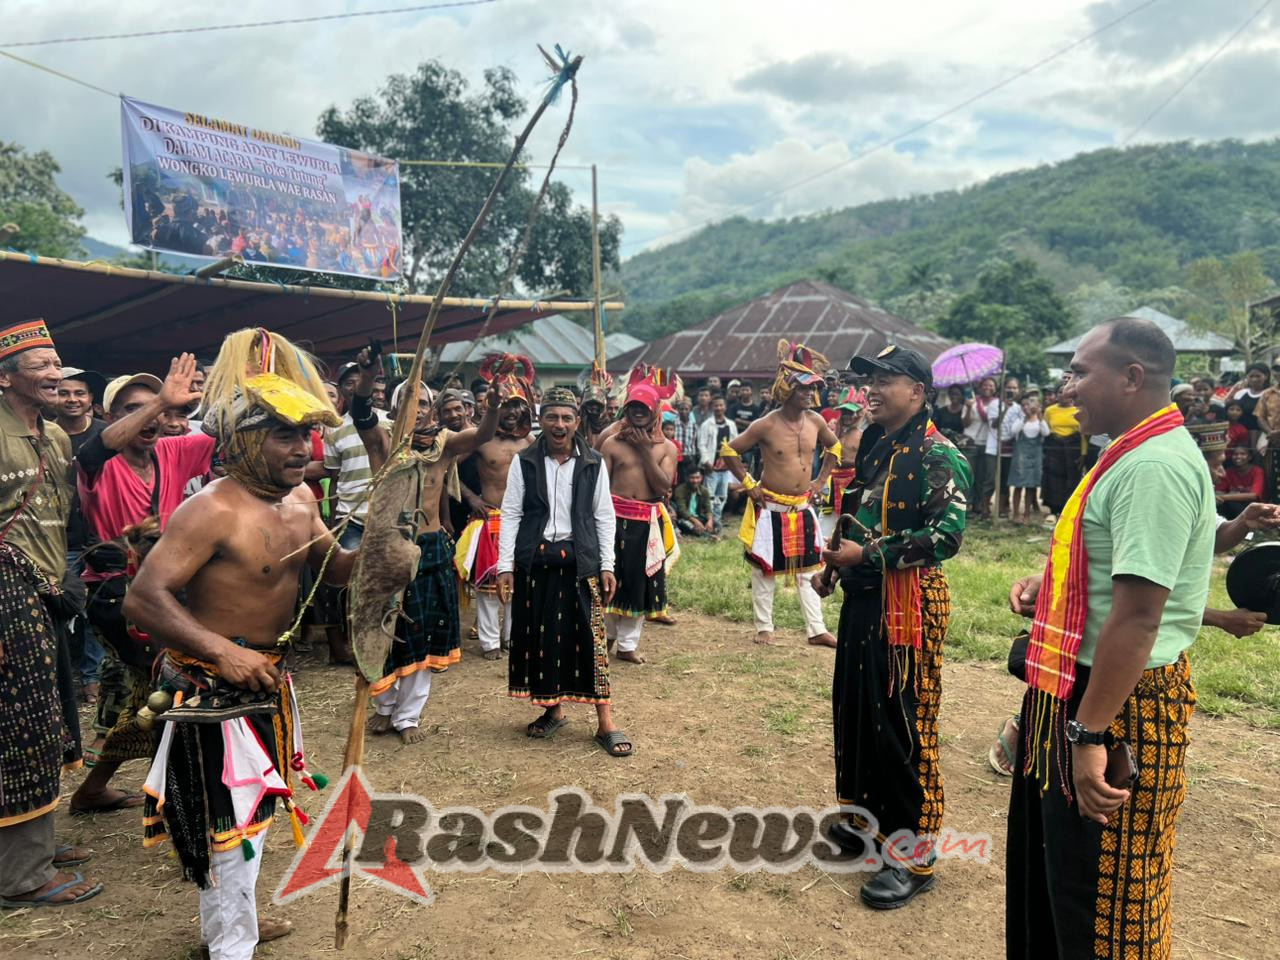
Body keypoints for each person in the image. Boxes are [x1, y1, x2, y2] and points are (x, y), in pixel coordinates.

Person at [127, 330, 355, 959]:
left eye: (306, 436)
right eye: (285, 435)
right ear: (244, 441)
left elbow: (335, 572)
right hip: (211, 689)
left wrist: (383, 553)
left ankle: (238, 919)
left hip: (267, 681)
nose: (303, 449)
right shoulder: (211, 511)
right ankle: (232, 943)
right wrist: (223, 651)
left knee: (254, 812)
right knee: (228, 823)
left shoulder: (304, 498)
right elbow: (143, 599)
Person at [1004, 317, 1214, 960]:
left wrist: (1090, 734)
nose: (1066, 389)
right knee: (1056, 879)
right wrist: (1055, 576)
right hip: (1075, 690)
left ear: (1132, 377)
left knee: (1106, 906)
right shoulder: (1128, 452)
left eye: (1079, 372)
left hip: (1112, 703)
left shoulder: (1153, 466)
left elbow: (1140, 617)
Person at [817, 345, 970, 910]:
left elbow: (946, 538)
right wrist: (835, 567)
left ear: (918, 391)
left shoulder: (938, 453)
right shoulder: (880, 446)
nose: (873, 389)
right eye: (870, 380)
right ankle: (868, 826)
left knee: (904, 722)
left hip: (908, 602)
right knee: (860, 713)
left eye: (886, 379)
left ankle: (914, 855)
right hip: (864, 594)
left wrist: (868, 557)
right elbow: (856, 513)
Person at [73, 361, 210, 814]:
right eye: (136, 408)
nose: (152, 418)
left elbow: (227, 432)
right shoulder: (101, 465)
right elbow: (90, 452)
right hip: (119, 598)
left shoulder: (173, 451)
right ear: (113, 417)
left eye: (157, 407)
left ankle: (94, 790)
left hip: (168, 590)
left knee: (148, 700)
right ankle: (176, 803)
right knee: (175, 691)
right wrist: (162, 402)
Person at [0, 319, 100, 909]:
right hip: (6, 597)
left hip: (45, 593)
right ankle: (22, 875)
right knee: (20, 725)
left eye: (57, 362)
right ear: (6, 377)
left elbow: (59, 518)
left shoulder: (58, 437)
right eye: (40, 366)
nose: (55, 374)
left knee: (53, 715)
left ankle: (33, 843)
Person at [356, 365, 499, 743]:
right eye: (409, 401)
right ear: (396, 405)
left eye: (423, 403)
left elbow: (481, 434)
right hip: (388, 548)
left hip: (431, 547)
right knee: (385, 629)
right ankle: (385, 708)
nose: (417, 409)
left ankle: (408, 716)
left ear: (432, 410)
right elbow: (361, 413)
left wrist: (495, 408)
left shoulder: (444, 445)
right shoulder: (384, 444)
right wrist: (368, 379)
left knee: (422, 631)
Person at [495, 387, 632, 757]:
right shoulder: (524, 461)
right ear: (541, 420)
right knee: (543, 638)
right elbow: (511, 513)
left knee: (592, 638)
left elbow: (604, 515)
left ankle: (606, 722)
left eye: (566, 418)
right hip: (535, 563)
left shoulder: (593, 462)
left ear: (576, 422)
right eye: (552, 417)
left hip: (580, 561)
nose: (559, 424)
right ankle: (553, 709)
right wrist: (505, 565)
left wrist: (607, 564)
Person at [724, 341, 839, 647]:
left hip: (802, 507)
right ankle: (764, 627)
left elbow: (835, 447)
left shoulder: (816, 421)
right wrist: (749, 484)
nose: (810, 395)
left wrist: (821, 480)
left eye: (812, 389)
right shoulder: (766, 424)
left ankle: (816, 629)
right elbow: (729, 450)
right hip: (771, 507)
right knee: (765, 570)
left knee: (809, 571)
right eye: (803, 389)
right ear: (788, 389)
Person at [455, 357, 536, 661]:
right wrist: (471, 497)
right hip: (489, 519)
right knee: (489, 586)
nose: (512, 412)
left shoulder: (529, 441)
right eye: (507, 405)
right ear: (496, 407)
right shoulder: (480, 440)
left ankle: (512, 639)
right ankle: (489, 643)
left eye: (517, 406)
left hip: (521, 521)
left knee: (519, 583)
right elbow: (447, 467)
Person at [600, 382, 679, 665]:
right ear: (626, 409)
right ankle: (606, 637)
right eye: (633, 407)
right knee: (609, 580)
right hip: (613, 519)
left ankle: (627, 645)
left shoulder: (666, 448)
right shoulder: (611, 443)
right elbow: (599, 488)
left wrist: (646, 450)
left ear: (655, 410)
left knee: (639, 583)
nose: (638, 412)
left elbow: (662, 486)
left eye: (643, 408)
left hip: (646, 521)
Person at [54, 367, 108, 704]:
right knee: (56, 608)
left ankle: (94, 680)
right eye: (64, 393)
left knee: (98, 612)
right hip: (59, 540)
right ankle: (57, 680)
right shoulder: (43, 435)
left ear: (90, 399)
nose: (72, 399)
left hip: (100, 537)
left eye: (79, 393)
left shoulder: (108, 434)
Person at [697, 395, 738, 535]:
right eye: (716, 405)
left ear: (725, 407)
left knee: (722, 496)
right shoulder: (706, 424)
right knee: (710, 496)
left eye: (721, 405)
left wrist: (732, 462)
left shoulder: (731, 424)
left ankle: (717, 522)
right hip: (712, 467)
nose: (719, 408)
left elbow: (735, 444)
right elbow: (701, 444)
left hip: (726, 468)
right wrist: (706, 461)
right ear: (712, 407)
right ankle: (710, 522)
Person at [1041, 384, 1083, 518]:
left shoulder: (1078, 410)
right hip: (1055, 447)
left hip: (1073, 447)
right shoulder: (1049, 411)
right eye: (1059, 392)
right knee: (1054, 478)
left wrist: (1084, 453)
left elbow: (1083, 434)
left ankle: (1068, 511)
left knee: (1072, 479)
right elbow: (1045, 429)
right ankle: (1054, 510)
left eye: (1065, 392)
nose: (1062, 395)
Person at [1009, 394, 1049, 525]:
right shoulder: (1019, 420)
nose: (1027, 407)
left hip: (1035, 458)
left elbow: (1046, 433)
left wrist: (1040, 416)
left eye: (1030, 405)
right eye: (1024, 405)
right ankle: (1015, 513)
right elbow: (1014, 431)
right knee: (1018, 485)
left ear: (1037, 407)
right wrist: (1025, 418)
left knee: (1031, 487)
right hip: (1020, 457)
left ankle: (1026, 514)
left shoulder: (1039, 421)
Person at [965, 376, 998, 519]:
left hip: (988, 444)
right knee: (969, 475)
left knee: (983, 477)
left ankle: (979, 505)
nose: (988, 387)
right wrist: (967, 408)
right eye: (985, 385)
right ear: (980, 386)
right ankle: (967, 505)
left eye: (991, 385)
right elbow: (965, 424)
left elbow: (992, 422)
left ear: (995, 388)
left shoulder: (998, 404)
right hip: (971, 442)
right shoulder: (972, 402)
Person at [1216, 445, 1265, 519]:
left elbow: (1254, 495)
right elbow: (1219, 492)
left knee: (1229, 502)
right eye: (1235, 454)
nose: (1238, 456)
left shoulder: (1257, 471)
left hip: (1254, 509)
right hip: (1233, 509)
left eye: (1243, 454)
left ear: (1250, 457)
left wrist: (1226, 496)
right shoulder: (1228, 472)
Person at [672, 466, 716, 538]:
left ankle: (707, 531)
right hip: (685, 518)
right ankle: (708, 536)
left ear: (701, 478)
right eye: (692, 478)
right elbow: (682, 511)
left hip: (698, 517)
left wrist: (710, 520)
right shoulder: (680, 490)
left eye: (697, 477)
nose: (695, 481)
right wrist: (695, 521)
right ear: (687, 478)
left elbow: (708, 509)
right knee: (690, 526)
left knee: (717, 523)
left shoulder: (704, 491)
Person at [1228, 362, 1269, 437]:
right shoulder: (1240, 394)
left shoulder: (1270, 394)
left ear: (1266, 376)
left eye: (1258, 376)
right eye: (1251, 376)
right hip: (1240, 434)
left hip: (1263, 435)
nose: (1254, 379)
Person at [673, 399, 699, 484]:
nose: (683, 411)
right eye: (681, 409)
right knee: (678, 479)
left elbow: (695, 441)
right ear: (678, 410)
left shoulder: (694, 425)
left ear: (690, 411)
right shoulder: (673, 424)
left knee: (689, 479)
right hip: (676, 456)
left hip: (690, 456)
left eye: (686, 409)